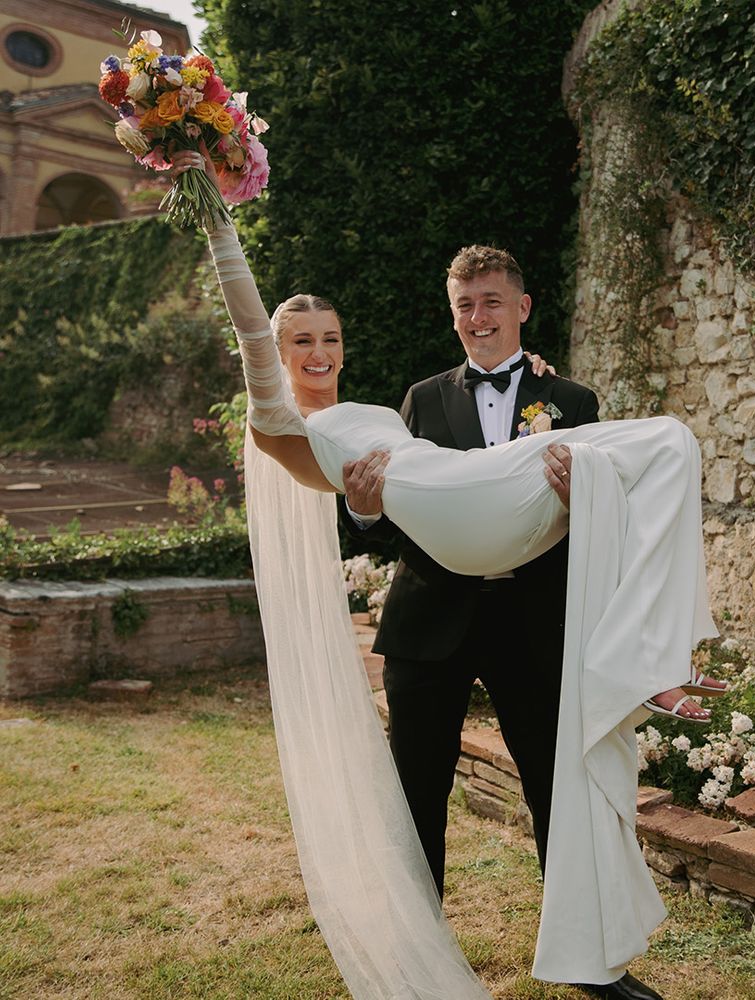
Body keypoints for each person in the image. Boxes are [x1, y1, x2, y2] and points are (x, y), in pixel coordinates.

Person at [174, 151, 719, 996]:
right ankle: (415, 954)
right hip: (438, 605)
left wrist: (583, 501)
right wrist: (361, 510)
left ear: (521, 309)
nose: (475, 318)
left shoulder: (565, 398)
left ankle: (591, 963)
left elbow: (562, 520)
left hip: (529, 608)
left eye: (489, 303)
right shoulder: (413, 398)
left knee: (556, 785)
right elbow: (394, 500)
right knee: (415, 794)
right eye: (463, 306)